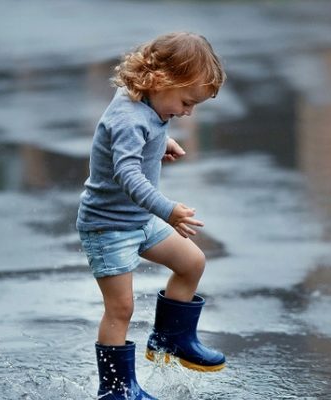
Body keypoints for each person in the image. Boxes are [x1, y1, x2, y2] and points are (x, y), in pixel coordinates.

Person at [76, 32, 226, 400]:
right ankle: (115, 390)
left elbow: (129, 145)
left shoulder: (147, 102)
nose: (189, 112)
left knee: (192, 263)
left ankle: (171, 339)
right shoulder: (130, 117)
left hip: (138, 221)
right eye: (187, 102)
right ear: (162, 80)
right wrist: (169, 211)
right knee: (120, 308)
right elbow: (127, 175)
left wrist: (161, 144)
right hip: (108, 226)